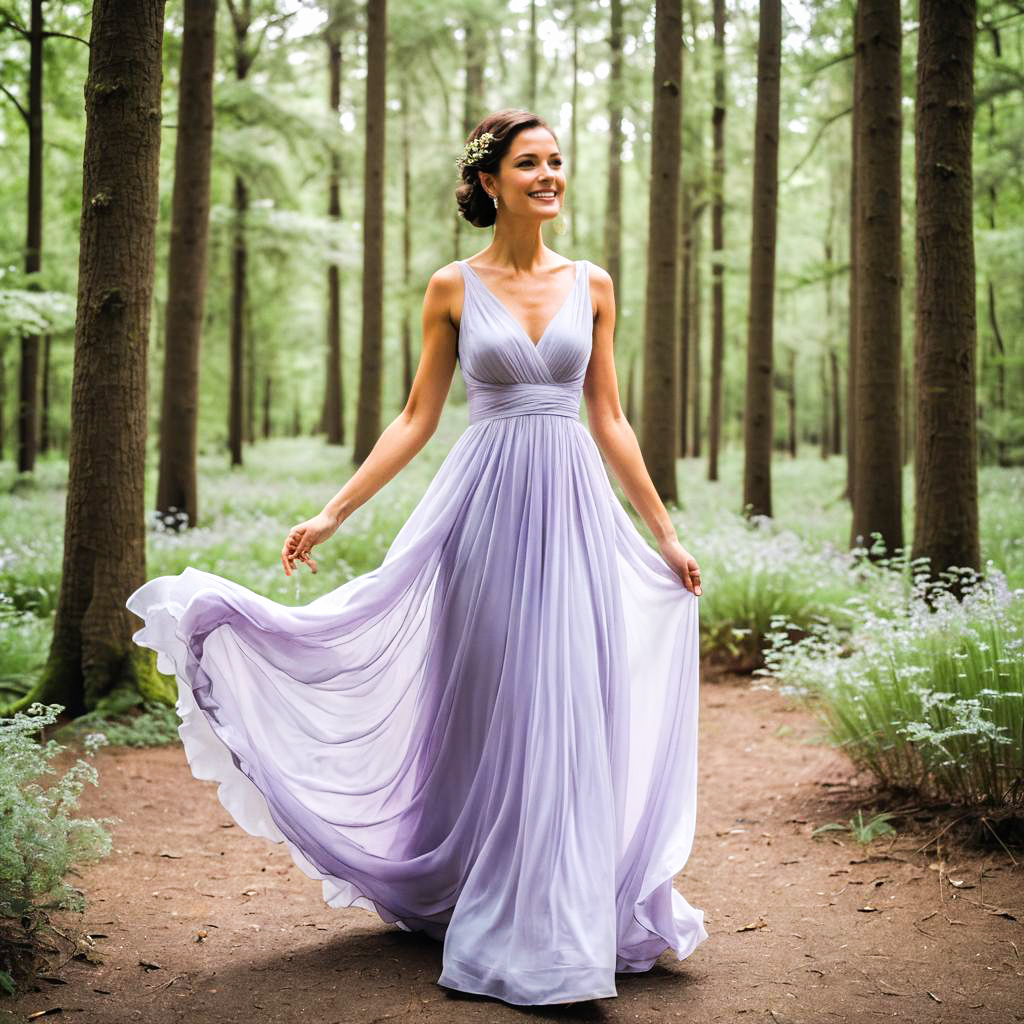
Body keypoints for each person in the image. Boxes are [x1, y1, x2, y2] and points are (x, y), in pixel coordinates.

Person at [127, 107, 708, 1008]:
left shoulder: (592, 284)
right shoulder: (450, 287)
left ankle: (562, 916)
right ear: (488, 181)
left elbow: (611, 418)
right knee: (492, 702)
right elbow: (415, 420)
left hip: (576, 517)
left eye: (557, 162)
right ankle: (488, 889)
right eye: (530, 163)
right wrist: (331, 512)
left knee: (566, 697)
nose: (550, 175)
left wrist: (663, 533)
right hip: (481, 517)